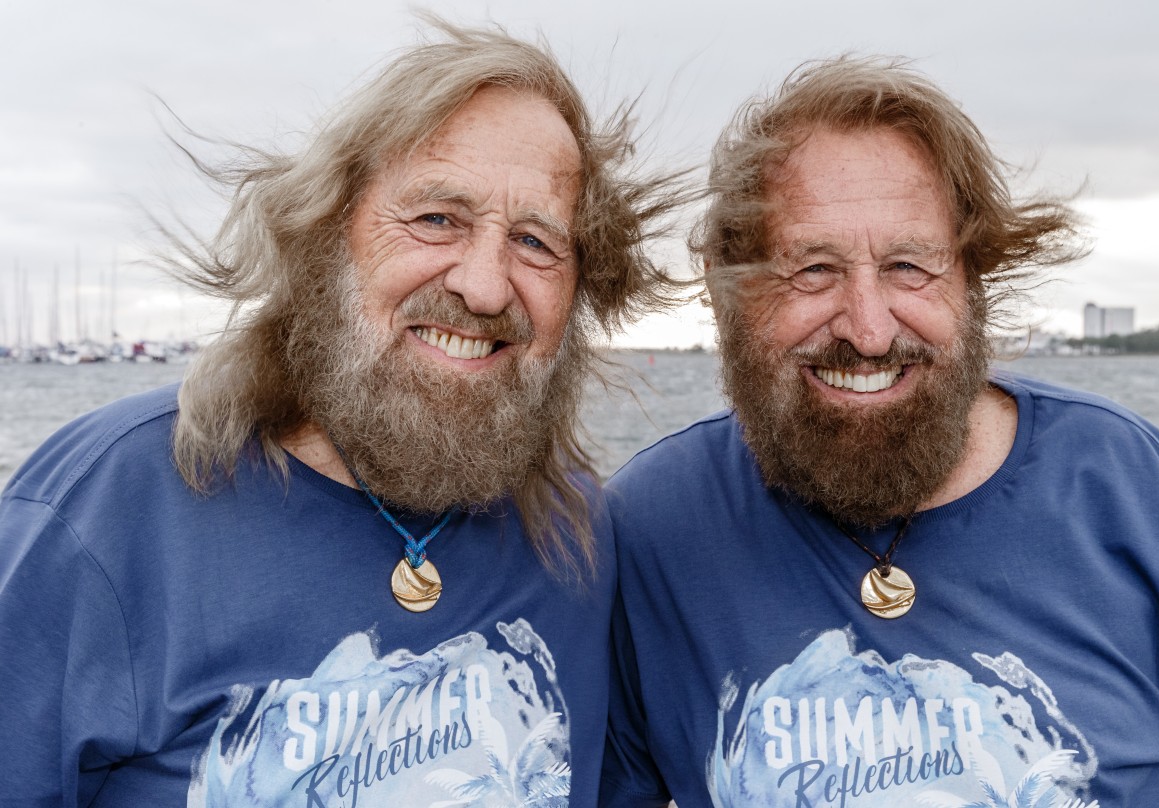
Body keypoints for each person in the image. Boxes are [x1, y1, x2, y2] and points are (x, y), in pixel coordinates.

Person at [0, 20, 685, 807]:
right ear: (328, 237)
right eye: (436, 219)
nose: (487, 286)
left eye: (536, 242)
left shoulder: (576, 538)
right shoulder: (105, 511)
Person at [603, 56, 1159, 807]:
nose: (867, 329)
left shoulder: (1123, 483)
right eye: (814, 269)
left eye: (908, 267)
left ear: (972, 281)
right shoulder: (654, 528)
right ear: (727, 288)